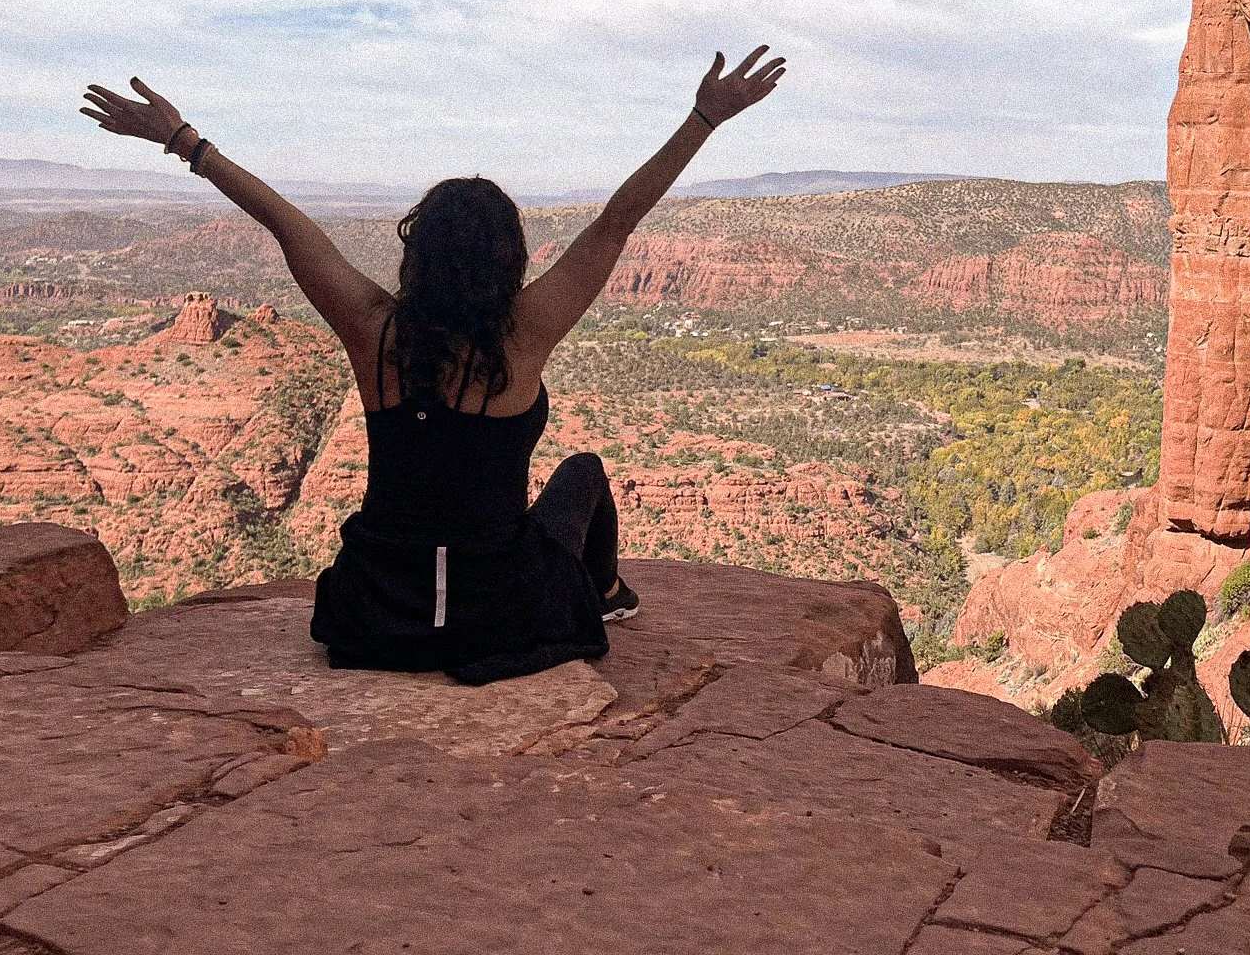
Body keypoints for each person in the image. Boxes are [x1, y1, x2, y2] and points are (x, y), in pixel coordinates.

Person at [79, 47, 785, 683]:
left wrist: (183, 141)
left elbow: (285, 223)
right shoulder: (526, 334)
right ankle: (604, 597)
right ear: (508, 257)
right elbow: (617, 221)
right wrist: (703, 118)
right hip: (498, 611)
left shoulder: (372, 329)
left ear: (417, 251)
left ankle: (591, 597)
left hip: (380, 611)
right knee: (584, 473)